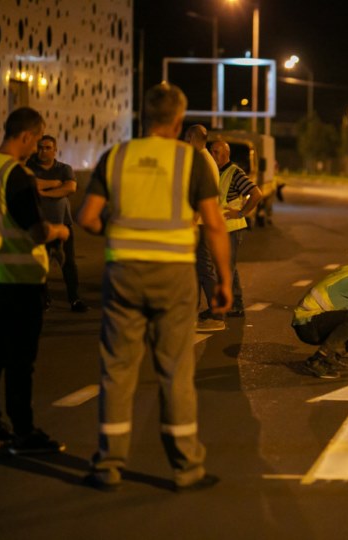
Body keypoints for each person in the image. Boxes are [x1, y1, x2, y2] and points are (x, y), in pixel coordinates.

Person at [76, 83, 232, 492]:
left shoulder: (117, 156)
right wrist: (223, 282)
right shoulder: (191, 160)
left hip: (124, 274)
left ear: (144, 117)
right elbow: (214, 224)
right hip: (174, 276)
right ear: (178, 121)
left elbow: (87, 218)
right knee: (175, 369)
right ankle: (186, 467)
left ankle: (108, 465)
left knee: (117, 370)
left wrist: (119, 232)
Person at [0, 108, 70, 454]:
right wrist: (60, 231)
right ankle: (23, 432)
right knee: (20, 362)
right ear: (26, 136)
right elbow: (37, 232)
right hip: (21, 280)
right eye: (36, 141)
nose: (36, 149)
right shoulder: (16, 175)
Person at [26, 135, 88, 312]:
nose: (43, 151)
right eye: (40, 147)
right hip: (39, 224)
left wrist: (44, 193)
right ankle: (44, 299)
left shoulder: (64, 168)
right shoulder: (29, 167)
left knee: (68, 263)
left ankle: (74, 299)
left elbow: (70, 187)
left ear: (55, 150)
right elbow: (31, 184)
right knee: (40, 263)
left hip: (63, 224)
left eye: (47, 148)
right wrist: (55, 183)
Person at [208, 139, 262, 318]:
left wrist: (241, 213)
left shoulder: (235, 172)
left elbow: (256, 194)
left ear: (226, 154)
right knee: (228, 266)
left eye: (216, 152)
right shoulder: (216, 171)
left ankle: (226, 307)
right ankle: (236, 305)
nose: (212, 154)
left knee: (226, 268)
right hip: (220, 228)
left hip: (232, 228)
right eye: (211, 151)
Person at [183, 125, 225, 332]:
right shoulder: (204, 159)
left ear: (192, 138)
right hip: (201, 223)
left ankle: (217, 315)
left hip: (201, 224)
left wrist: (192, 221)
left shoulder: (203, 161)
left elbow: (202, 195)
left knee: (205, 269)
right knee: (198, 269)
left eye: (186, 138)